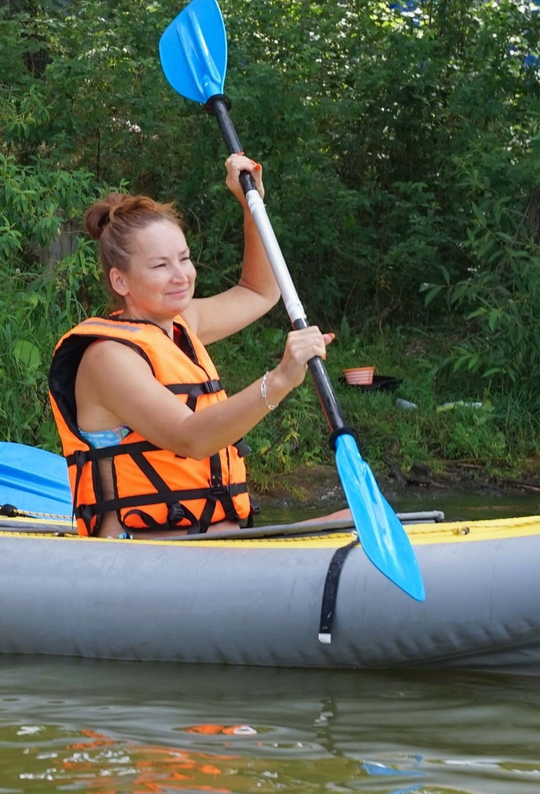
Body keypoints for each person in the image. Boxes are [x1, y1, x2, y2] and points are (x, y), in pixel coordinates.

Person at [47, 154, 333, 538]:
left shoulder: (183, 323)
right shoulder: (108, 357)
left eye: (184, 259)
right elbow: (191, 437)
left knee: (355, 518)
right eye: (160, 266)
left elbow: (260, 291)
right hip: (144, 556)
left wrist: (251, 206)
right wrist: (279, 380)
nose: (181, 275)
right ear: (120, 281)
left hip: (218, 544)